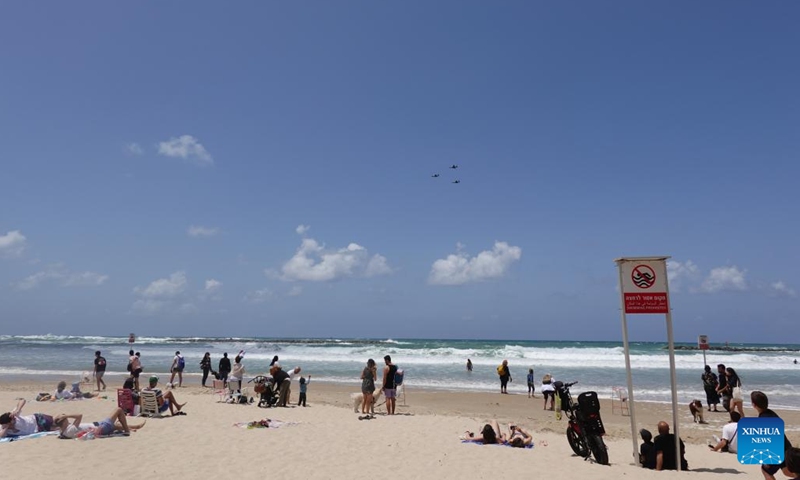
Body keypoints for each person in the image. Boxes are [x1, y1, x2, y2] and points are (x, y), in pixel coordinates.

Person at [751, 391, 793, 480]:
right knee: (788, 471)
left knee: (766, 470)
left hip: (778, 450)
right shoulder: (771, 413)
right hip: (786, 447)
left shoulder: (763, 419)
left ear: (754, 405)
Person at [54, 408, 146, 439]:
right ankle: (127, 431)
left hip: (98, 425)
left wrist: (63, 417)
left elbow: (57, 424)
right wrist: (67, 416)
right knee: (118, 410)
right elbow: (79, 415)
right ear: (64, 421)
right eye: (64, 417)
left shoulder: (63, 430)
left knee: (115, 426)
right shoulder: (70, 430)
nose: (66, 417)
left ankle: (135, 426)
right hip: (100, 428)